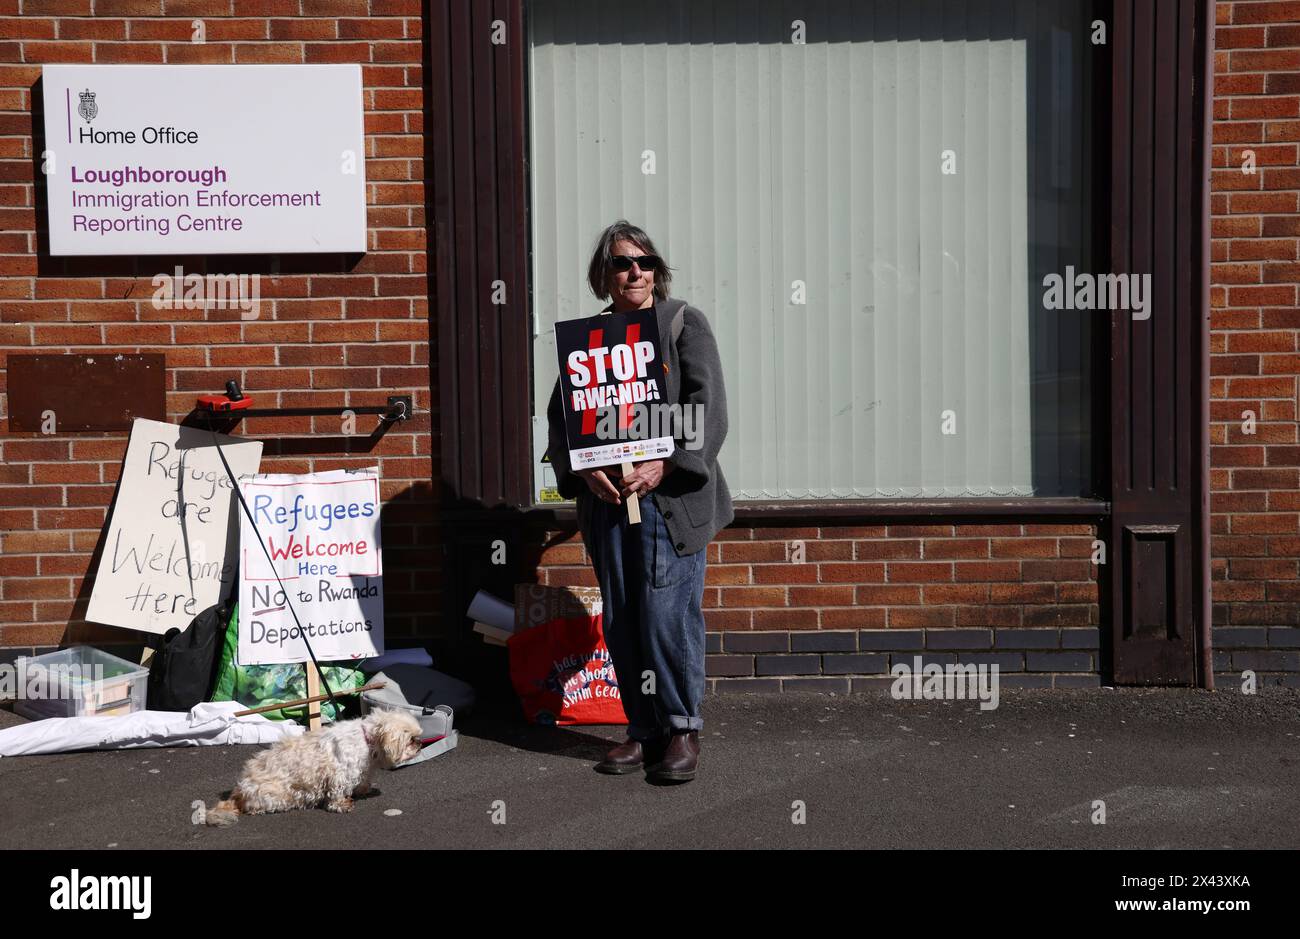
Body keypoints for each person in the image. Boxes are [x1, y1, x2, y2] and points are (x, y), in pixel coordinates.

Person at [546, 220, 734, 783]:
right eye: (623, 263)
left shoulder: (681, 324)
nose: (635, 272)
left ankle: (681, 729)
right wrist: (583, 471)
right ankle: (644, 729)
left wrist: (667, 462)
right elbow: (563, 422)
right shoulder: (589, 339)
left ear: (658, 271)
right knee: (625, 619)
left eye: (645, 262)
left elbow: (708, 410)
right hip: (609, 503)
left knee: (665, 618)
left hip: (667, 502)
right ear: (603, 276)